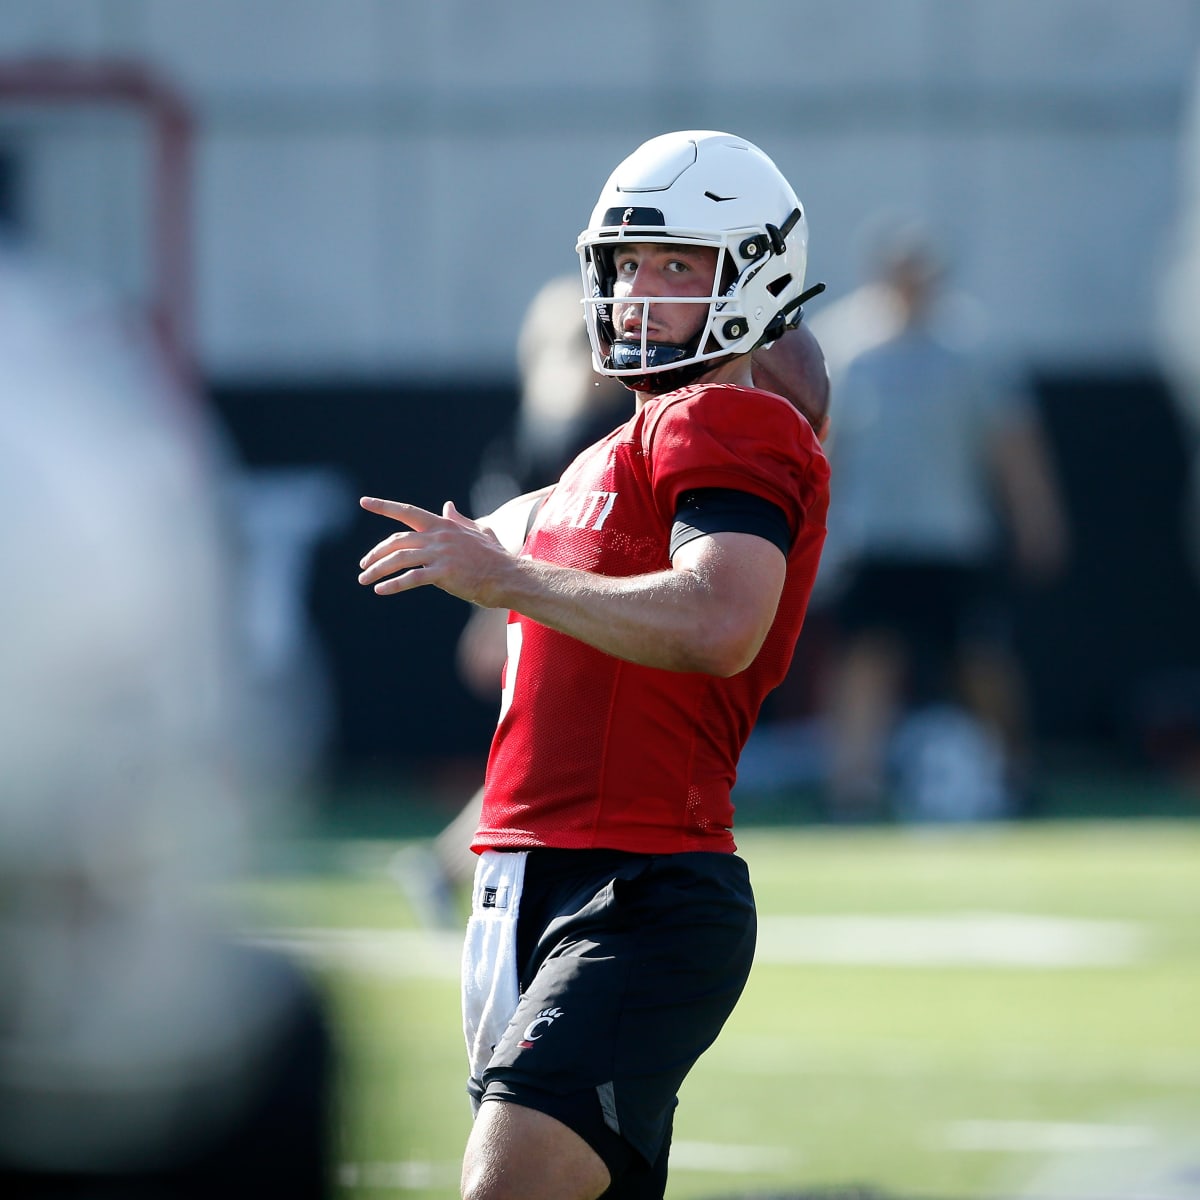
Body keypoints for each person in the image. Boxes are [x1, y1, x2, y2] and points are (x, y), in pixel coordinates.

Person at [358, 130, 830, 1200]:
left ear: (754, 275)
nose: (638, 294)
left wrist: (509, 577)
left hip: (638, 882)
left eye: (677, 265)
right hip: (531, 878)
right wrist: (487, 557)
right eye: (625, 265)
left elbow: (721, 621)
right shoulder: (612, 449)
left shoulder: (724, 419)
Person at [808, 222, 1070, 821]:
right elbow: (826, 449)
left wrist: (1036, 517)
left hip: (953, 535)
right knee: (864, 659)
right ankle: (853, 784)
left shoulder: (973, 345)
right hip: (871, 537)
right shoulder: (846, 344)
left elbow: (1012, 443)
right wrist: (813, 531)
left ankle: (1014, 772)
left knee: (980, 661)